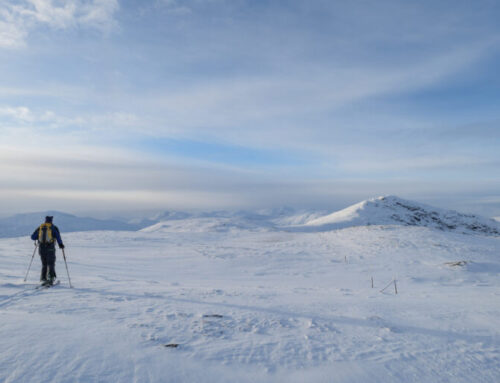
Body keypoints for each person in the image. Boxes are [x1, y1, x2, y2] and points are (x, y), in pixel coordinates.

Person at [31, 216, 65, 285]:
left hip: (41, 249)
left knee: (44, 264)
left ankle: (43, 278)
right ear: (51, 220)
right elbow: (58, 237)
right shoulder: (53, 228)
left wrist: (38, 237)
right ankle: (51, 278)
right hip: (50, 249)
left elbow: (32, 237)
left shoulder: (40, 227)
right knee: (51, 263)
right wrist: (61, 245)